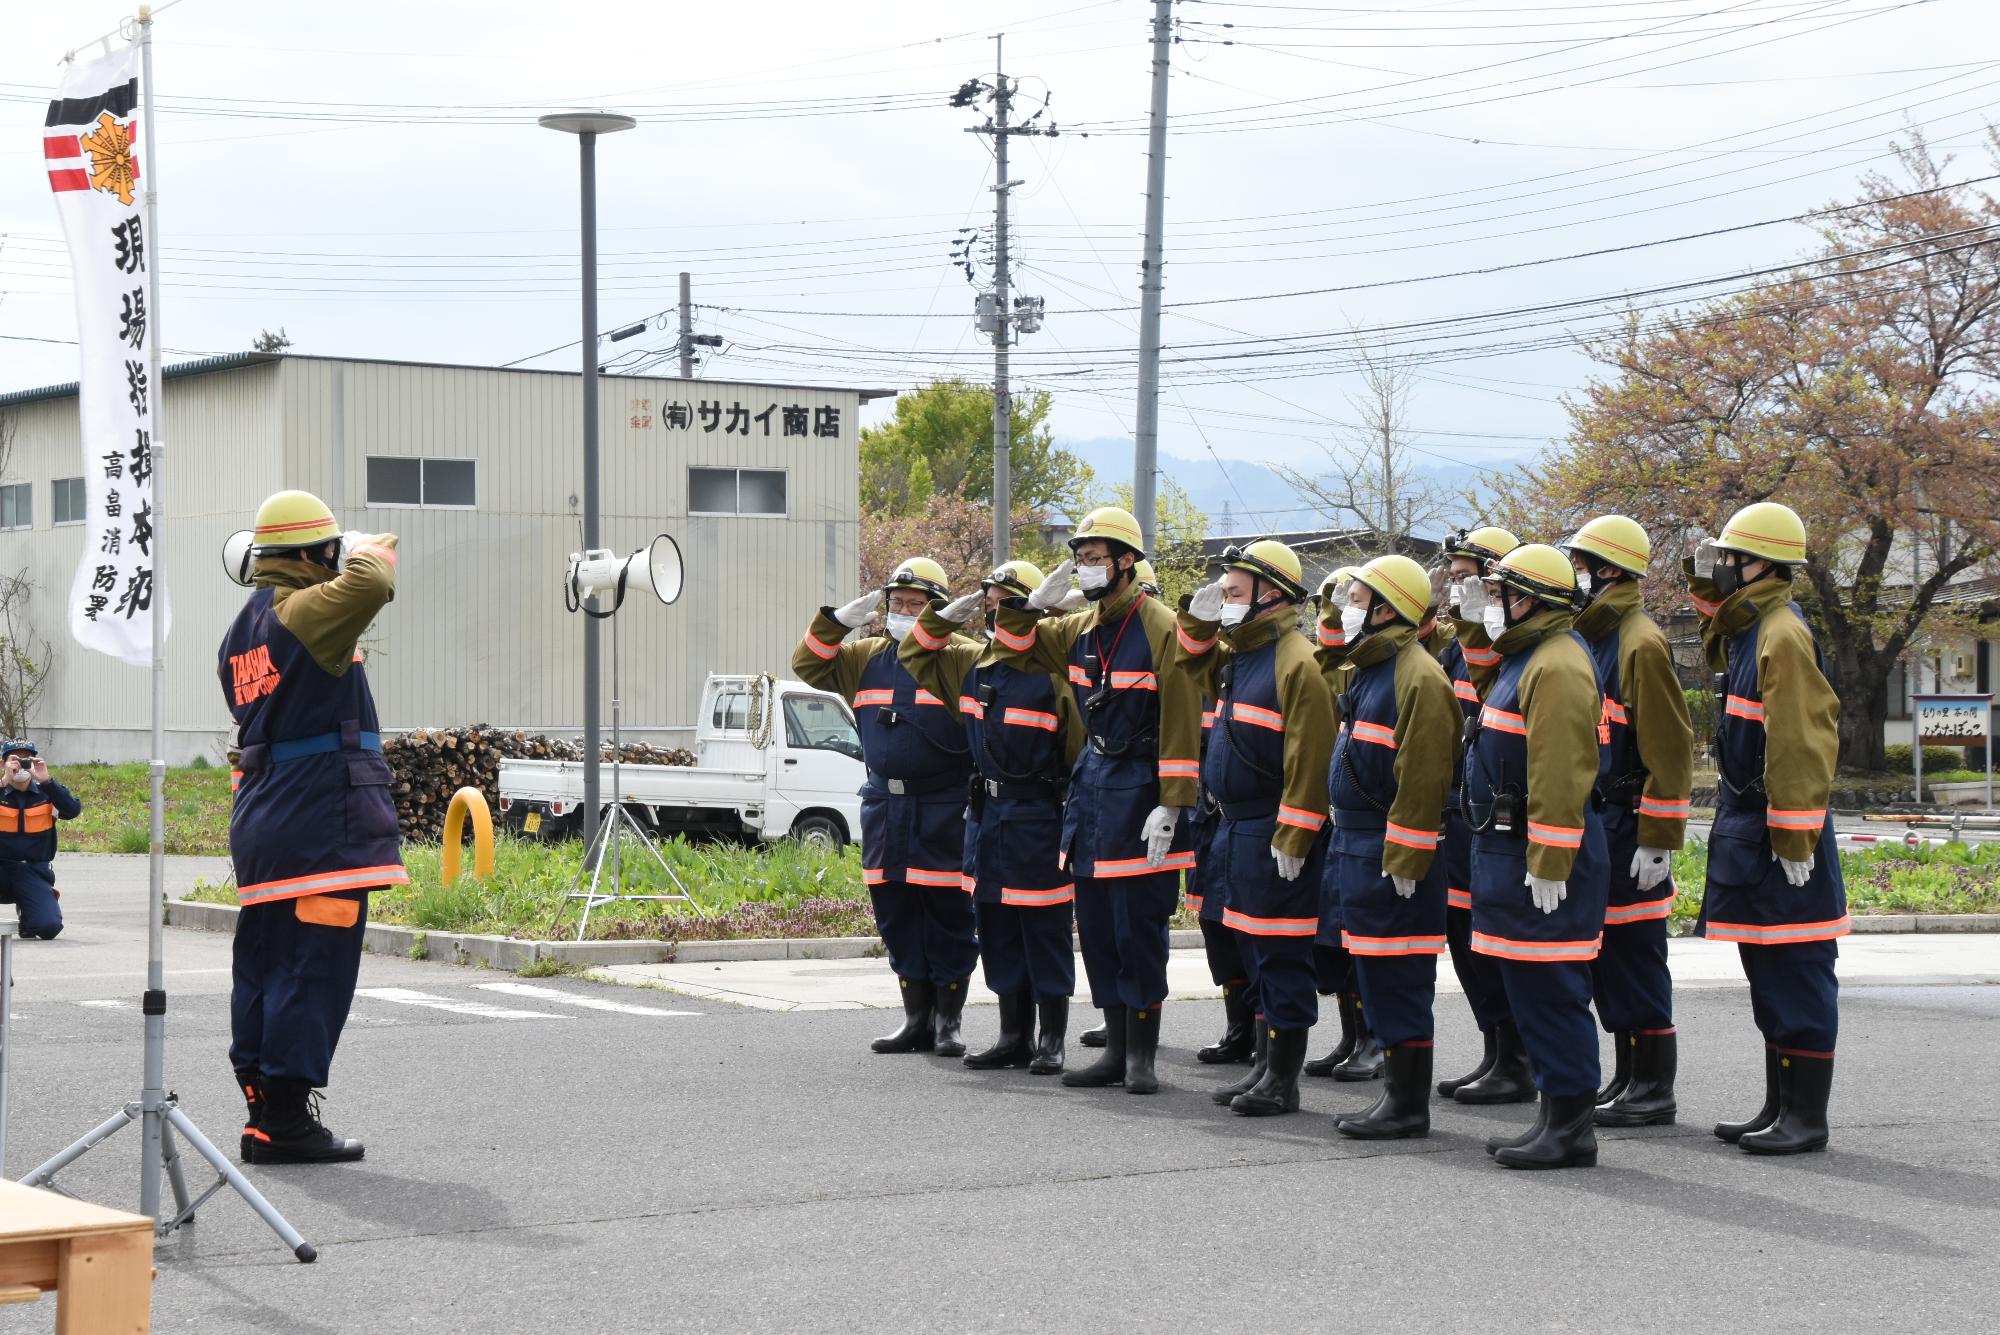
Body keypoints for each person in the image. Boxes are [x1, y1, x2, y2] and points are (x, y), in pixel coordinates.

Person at [989, 508, 1202, 1094]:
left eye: (1093, 559)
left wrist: (1174, 802)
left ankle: (1142, 1058)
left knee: (1139, 930)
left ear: (1126, 561)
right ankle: (1113, 1050)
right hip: (1093, 791)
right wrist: (1031, 604)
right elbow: (1013, 646)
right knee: (1102, 932)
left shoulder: (1161, 626)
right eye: (1079, 560)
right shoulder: (1081, 628)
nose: (1084, 570)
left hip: (1142, 792)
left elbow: (1183, 716)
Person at [221, 490, 404, 1165]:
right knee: (312, 970)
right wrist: (356, 545)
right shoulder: (306, 611)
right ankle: (287, 1120)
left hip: (269, 824)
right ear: (307, 555)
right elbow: (379, 573)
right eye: (327, 552)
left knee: (265, 969)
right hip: (318, 826)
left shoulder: (242, 629)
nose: (335, 562)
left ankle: (263, 1109)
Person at [1690, 502, 1846, 1156]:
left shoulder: (1781, 632)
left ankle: (1805, 1118)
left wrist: (1796, 830)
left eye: (1729, 557)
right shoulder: (1753, 628)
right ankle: (1778, 1105)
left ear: (1760, 562)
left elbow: (1802, 741)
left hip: (1782, 832)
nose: (1721, 567)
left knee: (1796, 972)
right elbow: (1712, 623)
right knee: (1766, 970)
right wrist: (1702, 578)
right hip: (1753, 826)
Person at [1459, 543, 1610, 1170]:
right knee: (1529, 987)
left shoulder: (1557, 664)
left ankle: (1572, 1127)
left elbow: (1561, 769)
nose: (1494, 605)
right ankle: (1552, 1116)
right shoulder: (1525, 658)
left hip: (1543, 853)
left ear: (1536, 601)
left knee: (1553, 990)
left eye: (1502, 595)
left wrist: (1550, 854)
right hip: (1510, 848)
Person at [1168, 541, 1333, 1117]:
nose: (1227, 601)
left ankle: (1282, 1082)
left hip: (1272, 830)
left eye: (1235, 593)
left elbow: (1310, 760)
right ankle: (1264, 1067)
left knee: (1282, 956)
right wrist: (1200, 619)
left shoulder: (1297, 660)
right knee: (1255, 954)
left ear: (1272, 596)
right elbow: (1187, 664)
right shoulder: (1243, 654)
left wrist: (1295, 834)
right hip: (1235, 829)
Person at [900, 560, 1082, 1074]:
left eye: (1006, 602)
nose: (993, 611)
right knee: (997, 926)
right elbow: (914, 653)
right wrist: (938, 621)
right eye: (990, 601)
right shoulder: (973, 665)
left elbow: (1076, 747)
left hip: (1037, 814)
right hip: (988, 817)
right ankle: (1012, 1036)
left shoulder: (1053, 672)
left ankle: (1051, 1039)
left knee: (1043, 929)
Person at [793, 558, 979, 1057]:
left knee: (947, 914)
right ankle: (915, 1020)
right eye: (896, 604)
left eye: (914, 605)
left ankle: (949, 1022)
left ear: (937, 609)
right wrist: (835, 623)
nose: (902, 613)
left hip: (944, 803)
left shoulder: (963, 656)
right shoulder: (866, 656)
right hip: (885, 805)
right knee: (895, 912)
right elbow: (808, 664)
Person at [1562, 515, 1693, 1128]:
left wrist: (1659, 837)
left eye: (1583, 565)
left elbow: (1670, 747)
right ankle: (1627, 1074)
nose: (1576, 575)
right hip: (1605, 819)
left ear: (1610, 570)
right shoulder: (1597, 635)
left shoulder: (1638, 640)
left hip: (1631, 821)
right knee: (1609, 957)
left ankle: (1653, 1086)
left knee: (1637, 956)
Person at [1324, 557, 1459, 1139]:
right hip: (1358, 846)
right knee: (1374, 976)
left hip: (1388, 852)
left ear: (1387, 609)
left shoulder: (1418, 677)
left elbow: (1424, 777)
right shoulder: (1372, 669)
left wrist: (1406, 854)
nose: (1347, 609)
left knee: (1399, 980)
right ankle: (1395, 1097)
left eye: (1357, 599)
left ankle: (1407, 1105)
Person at [1432, 526, 1535, 1105]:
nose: (1457, 581)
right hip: (1458, 815)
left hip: (1493, 820)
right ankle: (1495, 1049)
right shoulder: (1456, 645)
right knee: (1464, 941)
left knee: (1493, 943)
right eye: (1455, 572)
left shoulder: (1509, 647)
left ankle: (1516, 1058)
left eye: (1470, 572)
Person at [1303, 567, 1383, 1083]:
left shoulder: (1368, 666)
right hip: (1335, 823)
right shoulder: (1337, 664)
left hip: (1367, 823)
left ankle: (1375, 1040)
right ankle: (1352, 1035)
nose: (1333, 618)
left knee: (1363, 940)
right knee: (1333, 939)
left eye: (1348, 604)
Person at [0, 739, 82, 940]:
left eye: (26, 760)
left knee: (48, 927)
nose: (20, 765)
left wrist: (46, 780)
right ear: (3, 764)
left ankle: (29, 916)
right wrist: (3, 781)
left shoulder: (47, 793)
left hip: (32, 871)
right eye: (15, 759)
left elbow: (72, 810)